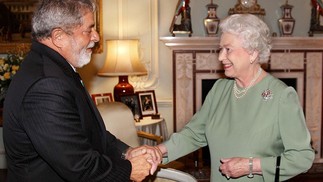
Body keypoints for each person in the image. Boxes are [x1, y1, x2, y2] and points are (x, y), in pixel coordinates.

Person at [3, 0, 161, 181]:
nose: (96, 37)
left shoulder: (55, 69)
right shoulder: (46, 86)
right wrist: (129, 170)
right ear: (59, 37)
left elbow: (90, 133)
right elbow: (79, 167)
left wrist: (127, 152)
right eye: (89, 30)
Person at [157, 14, 315, 181]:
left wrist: (251, 166)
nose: (220, 57)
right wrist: (158, 151)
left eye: (228, 49)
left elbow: (302, 157)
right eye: (220, 49)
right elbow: (193, 134)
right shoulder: (219, 90)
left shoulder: (282, 95)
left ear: (253, 53)